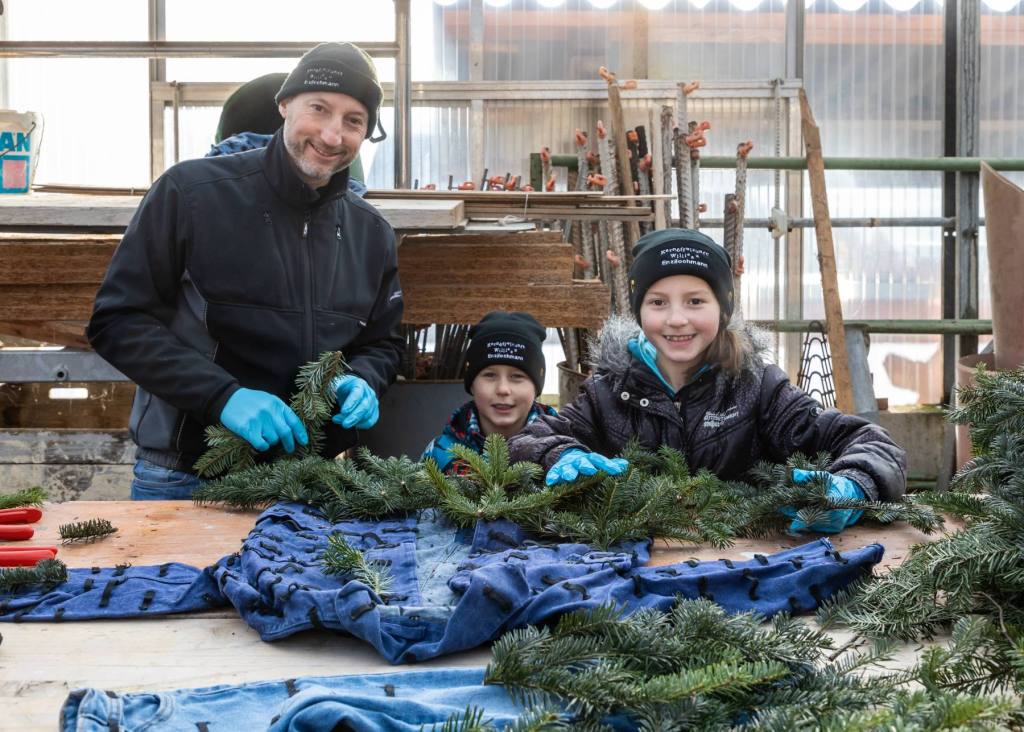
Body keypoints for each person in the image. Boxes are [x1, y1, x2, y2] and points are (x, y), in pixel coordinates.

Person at [87, 42, 403, 500]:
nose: (333, 135)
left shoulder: (371, 232)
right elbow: (118, 321)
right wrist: (223, 397)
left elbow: (383, 342)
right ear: (285, 104)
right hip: (185, 479)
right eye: (319, 108)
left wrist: (364, 379)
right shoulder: (190, 194)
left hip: (311, 482)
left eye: (354, 121)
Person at [508, 228, 907, 534]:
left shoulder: (758, 388)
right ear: (639, 311)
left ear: (723, 309)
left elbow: (873, 444)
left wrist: (852, 486)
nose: (677, 319)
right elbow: (529, 440)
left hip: (744, 560)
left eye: (696, 301)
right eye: (658, 302)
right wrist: (560, 456)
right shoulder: (608, 392)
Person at [423, 312, 557, 474]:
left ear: (536, 387)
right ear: (472, 384)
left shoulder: (560, 454)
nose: (503, 389)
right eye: (490, 375)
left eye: (517, 376)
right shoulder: (440, 454)